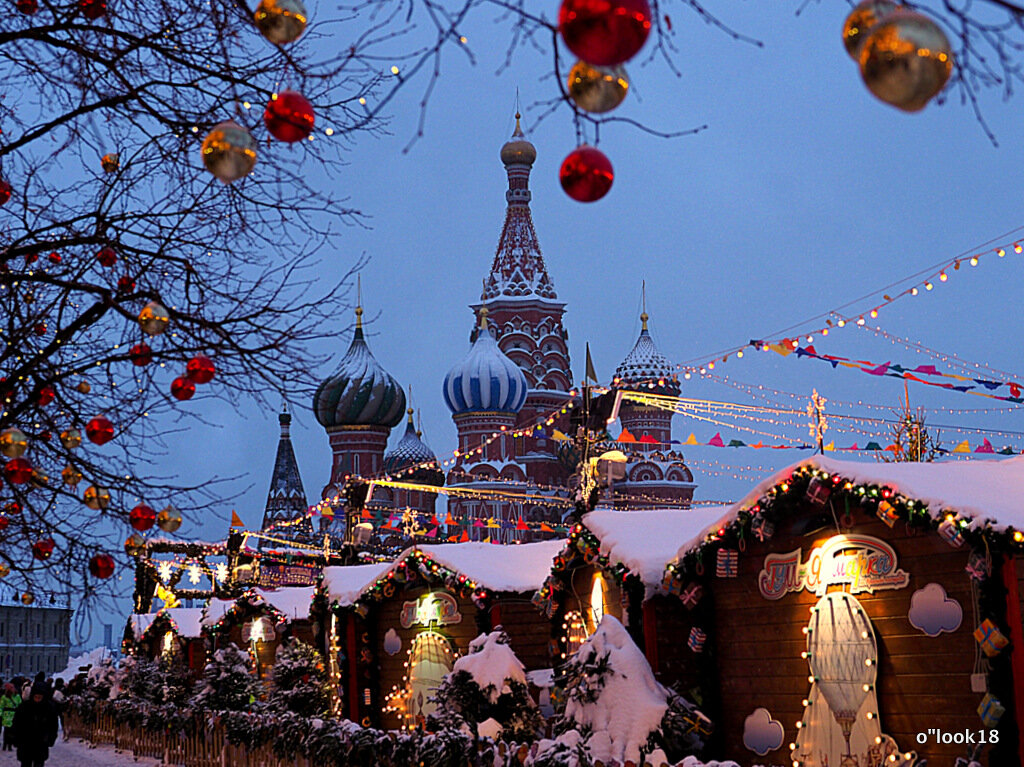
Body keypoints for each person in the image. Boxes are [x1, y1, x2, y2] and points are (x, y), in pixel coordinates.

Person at [11, 682, 57, 767]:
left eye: (40, 697)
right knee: (25, 763)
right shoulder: (24, 707)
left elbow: (53, 725)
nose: (38, 699)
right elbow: (16, 723)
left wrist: (51, 738)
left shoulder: (49, 708)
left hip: (41, 742)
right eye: (36, 697)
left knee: (39, 763)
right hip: (25, 742)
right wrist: (15, 738)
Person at [0, 683, 20, 751]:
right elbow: (1, 707)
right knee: (6, 731)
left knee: (12, 731)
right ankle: (5, 745)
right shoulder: (4, 697)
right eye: (11, 688)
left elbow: (20, 705)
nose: (13, 689)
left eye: (13, 687)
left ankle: (10, 745)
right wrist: (0, 714)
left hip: (14, 715)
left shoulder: (17, 696)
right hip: (7, 715)